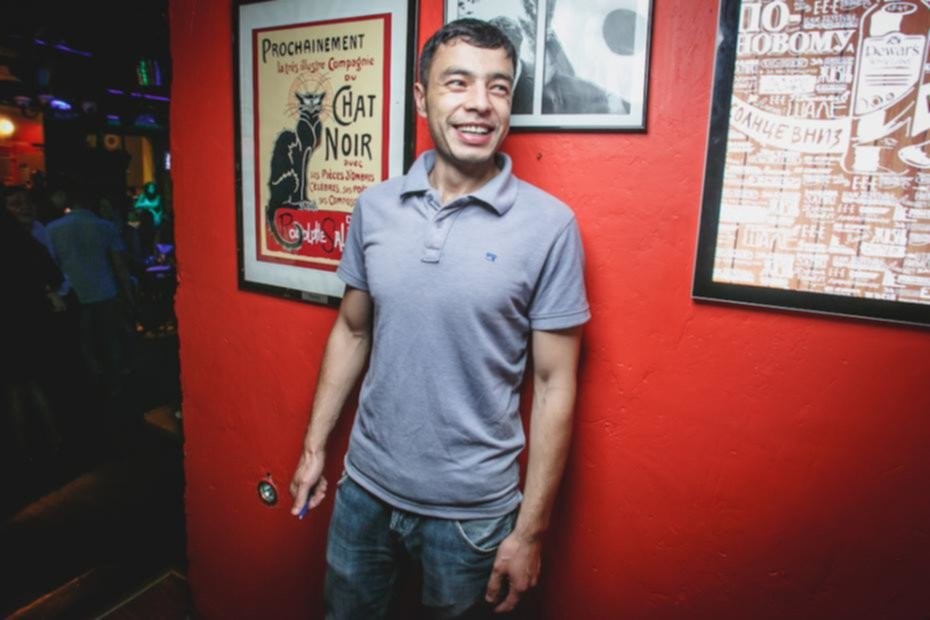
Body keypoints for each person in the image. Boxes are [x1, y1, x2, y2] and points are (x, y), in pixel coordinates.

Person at [288, 18, 589, 619]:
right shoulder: (375, 206)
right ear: (422, 98)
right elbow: (352, 329)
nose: (481, 104)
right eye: (459, 83)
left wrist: (530, 532)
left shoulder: (550, 226)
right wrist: (314, 446)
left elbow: (554, 383)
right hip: (364, 491)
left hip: (472, 517)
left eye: (498, 87)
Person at [47, 184, 135, 397]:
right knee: (110, 340)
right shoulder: (105, 226)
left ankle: (90, 385)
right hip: (105, 290)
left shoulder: (52, 228)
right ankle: (114, 385)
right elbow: (119, 266)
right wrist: (129, 294)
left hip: (73, 292)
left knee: (82, 342)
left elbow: (51, 265)